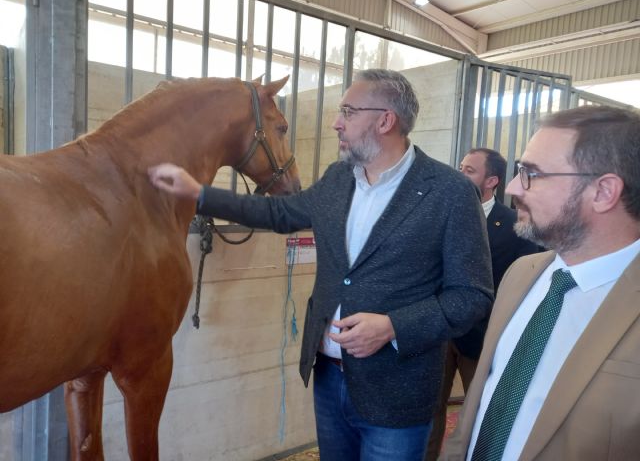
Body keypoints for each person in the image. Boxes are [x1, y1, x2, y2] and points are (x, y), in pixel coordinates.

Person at [149, 69, 493, 461]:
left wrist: (393, 327)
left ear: (385, 120)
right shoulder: (338, 177)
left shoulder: (449, 192)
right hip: (330, 378)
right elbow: (279, 213)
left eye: (348, 111)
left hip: (396, 390)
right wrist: (200, 195)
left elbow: (472, 296)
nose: (336, 122)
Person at [441, 105, 640, 461]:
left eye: (531, 173)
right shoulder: (522, 274)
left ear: (603, 192)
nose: (514, 186)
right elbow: (477, 411)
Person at [425, 148, 538, 461]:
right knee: (429, 410)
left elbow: (524, 280)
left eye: (469, 170)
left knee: (479, 412)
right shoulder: (440, 215)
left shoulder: (515, 224)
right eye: (460, 167)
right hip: (439, 332)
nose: (459, 174)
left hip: (484, 336)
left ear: (492, 180)